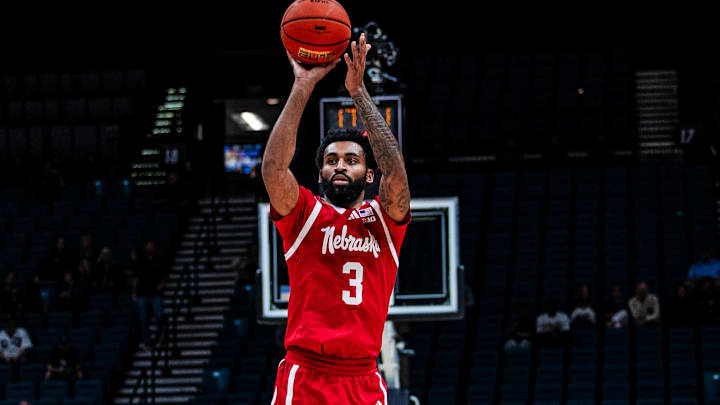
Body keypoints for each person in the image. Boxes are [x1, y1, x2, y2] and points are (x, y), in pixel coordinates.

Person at [263, 33, 411, 404]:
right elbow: (273, 168)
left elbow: (396, 173)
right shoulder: (304, 214)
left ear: (369, 175)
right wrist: (302, 85)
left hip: (362, 376)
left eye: (351, 159)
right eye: (331, 160)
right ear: (320, 175)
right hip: (307, 372)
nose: (340, 165)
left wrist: (358, 92)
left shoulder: (385, 222)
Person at [132, 241, 169, 350]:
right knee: (143, 319)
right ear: (145, 247)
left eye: (152, 246)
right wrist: (134, 292)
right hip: (142, 294)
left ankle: (161, 339)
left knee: (159, 316)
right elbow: (136, 278)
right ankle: (147, 342)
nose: (150, 248)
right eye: (148, 246)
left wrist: (162, 285)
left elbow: (165, 276)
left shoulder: (159, 260)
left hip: (155, 294)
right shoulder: (140, 261)